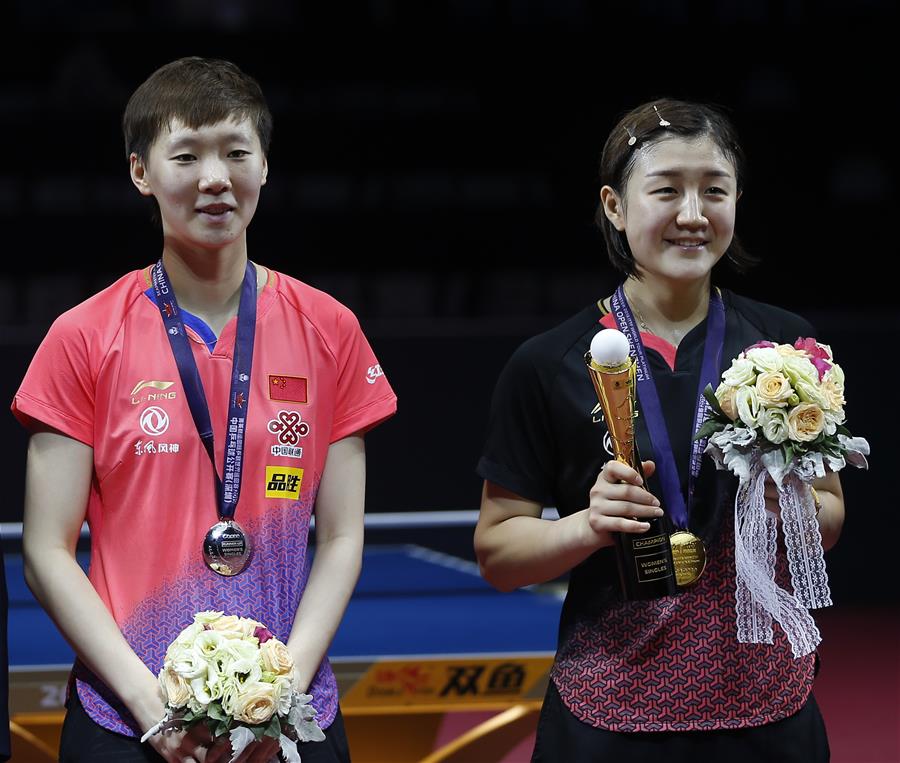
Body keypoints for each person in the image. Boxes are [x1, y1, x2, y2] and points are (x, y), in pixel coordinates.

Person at [12, 57, 396, 763]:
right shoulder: (83, 336)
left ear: (265, 166)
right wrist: (151, 708)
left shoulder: (329, 328)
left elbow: (341, 537)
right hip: (125, 722)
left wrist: (282, 690)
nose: (215, 177)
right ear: (141, 173)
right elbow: (45, 549)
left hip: (291, 718)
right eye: (186, 155)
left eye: (236, 152)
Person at [474, 99, 843, 762]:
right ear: (615, 206)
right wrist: (584, 526)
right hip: (607, 715)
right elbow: (498, 551)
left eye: (715, 190)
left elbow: (831, 516)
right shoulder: (547, 363)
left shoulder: (789, 349)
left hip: (769, 712)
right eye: (667, 189)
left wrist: (787, 503)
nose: (694, 214)